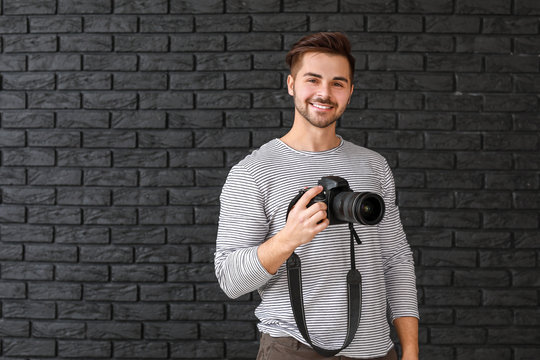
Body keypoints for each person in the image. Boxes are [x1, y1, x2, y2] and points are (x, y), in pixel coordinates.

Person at [214, 32, 419, 360]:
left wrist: (410, 350)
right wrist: (288, 238)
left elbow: (396, 260)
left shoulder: (373, 165)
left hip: (377, 351)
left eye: (338, 83)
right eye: (313, 80)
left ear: (350, 92)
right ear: (292, 84)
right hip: (291, 349)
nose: (325, 93)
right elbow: (230, 279)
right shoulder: (253, 172)